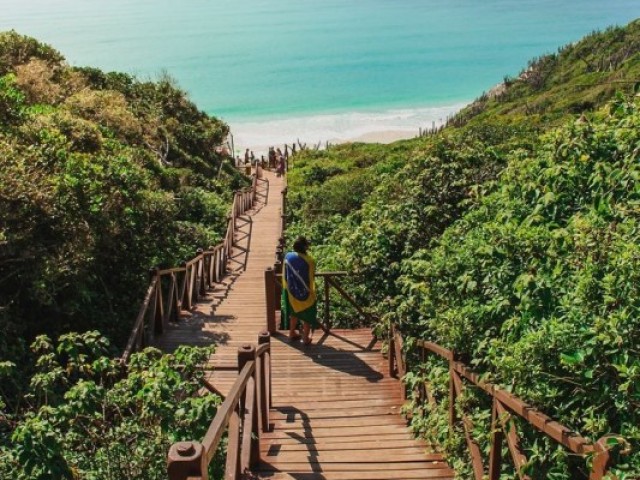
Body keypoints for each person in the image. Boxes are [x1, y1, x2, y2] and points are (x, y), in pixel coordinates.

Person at [281, 236, 318, 345]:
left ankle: (291, 333)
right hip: (305, 293)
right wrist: (312, 293)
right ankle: (305, 338)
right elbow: (311, 278)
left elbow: (285, 274)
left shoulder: (288, 256)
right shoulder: (309, 260)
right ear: (305, 247)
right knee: (307, 315)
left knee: (294, 313)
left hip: (291, 291)